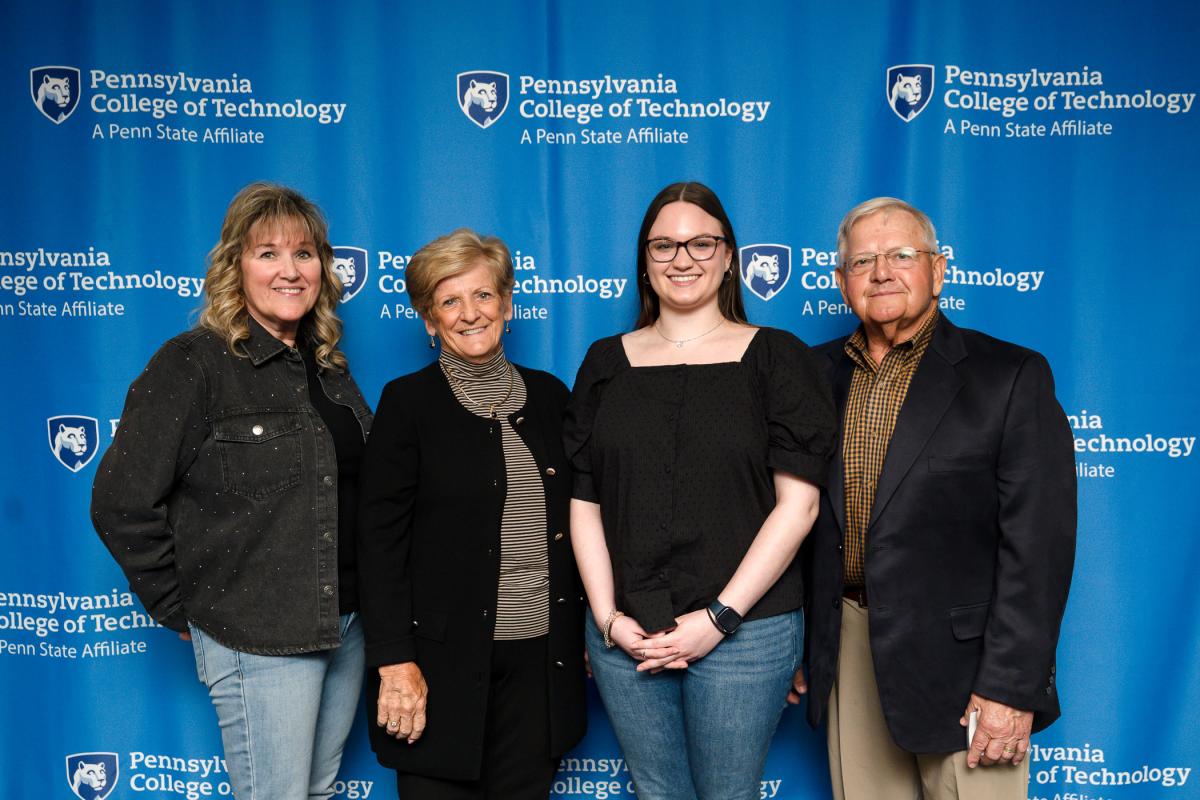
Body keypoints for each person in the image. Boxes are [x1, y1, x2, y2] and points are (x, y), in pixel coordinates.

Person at [91, 182, 372, 799]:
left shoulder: (330, 371)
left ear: (323, 268)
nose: (289, 270)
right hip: (258, 632)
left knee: (318, 792)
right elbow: (120, 500)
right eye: (267, 253)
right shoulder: (193, 364)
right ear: (234, 266)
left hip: (347, 624)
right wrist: (180, 605)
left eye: (304, 254)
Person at [794, 197, 1076, 800]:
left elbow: (1038, 548)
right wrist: (799, 646)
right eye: (863, 260)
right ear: (842, 282)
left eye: (901, 254)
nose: (881, 272)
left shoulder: (1010, 376)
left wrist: (1009, 686)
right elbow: (795, 521)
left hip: (969, 670)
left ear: (939, 270)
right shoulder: (810, 376)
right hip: (849, 649)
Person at [563, 181, 836, 800]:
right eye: (664, 246)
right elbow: (585, 507)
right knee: (657, 793)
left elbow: (800, 507)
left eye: (700, 243)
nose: (682, 259)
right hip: (627, 629)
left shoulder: (776, 358)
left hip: (747, 630)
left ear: (729, 255)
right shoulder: (606, 362)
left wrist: (718, 619)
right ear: (644, 261)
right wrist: (608, 620)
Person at [357, 228, 586, 800]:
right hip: (436, 673)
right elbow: (377, 545)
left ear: (507, 304)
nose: (470, 314)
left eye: (483, 296)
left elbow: (581, 524)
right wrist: (394, 663)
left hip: (539, 669)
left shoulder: (552, 397)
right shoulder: (407, 404)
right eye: (449, 301)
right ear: (429, 320)